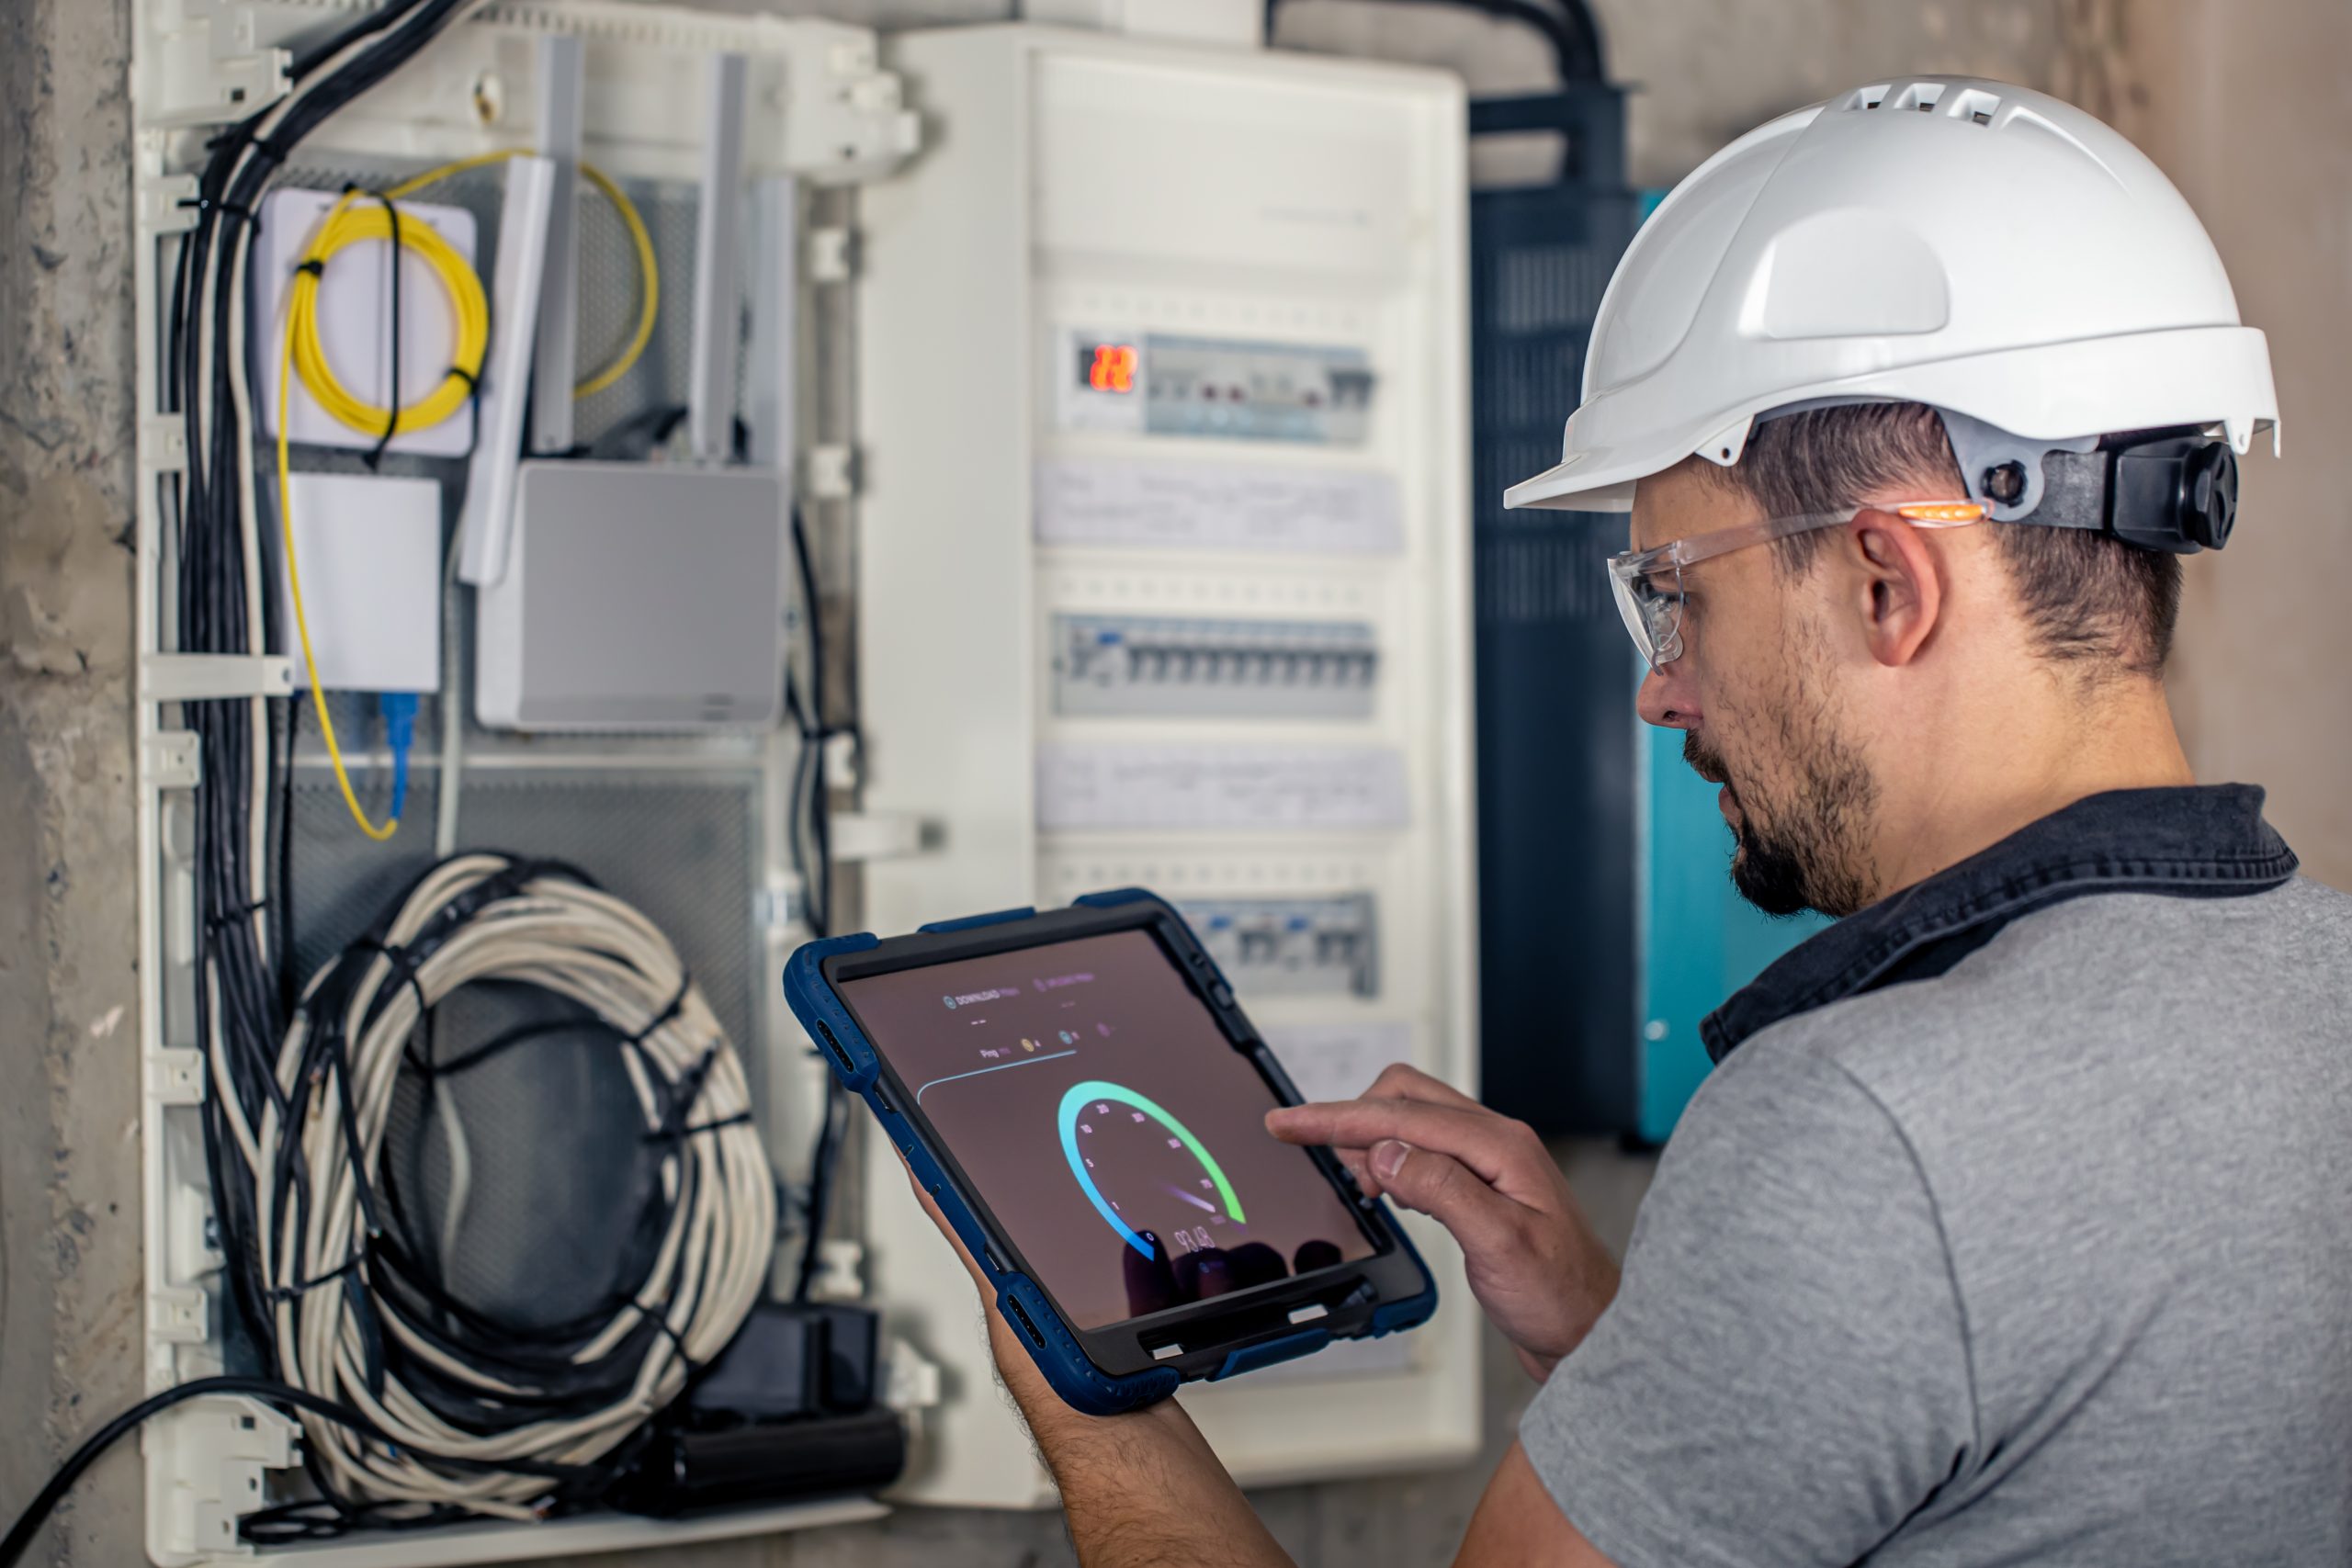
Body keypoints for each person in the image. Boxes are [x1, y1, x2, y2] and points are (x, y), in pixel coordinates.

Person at [905, 76, 2352, 1564]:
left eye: (1680, 595)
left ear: (1885, 586)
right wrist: (1633, 1340)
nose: (1663, 694)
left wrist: (1092, 1405)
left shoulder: (1870, 1132)